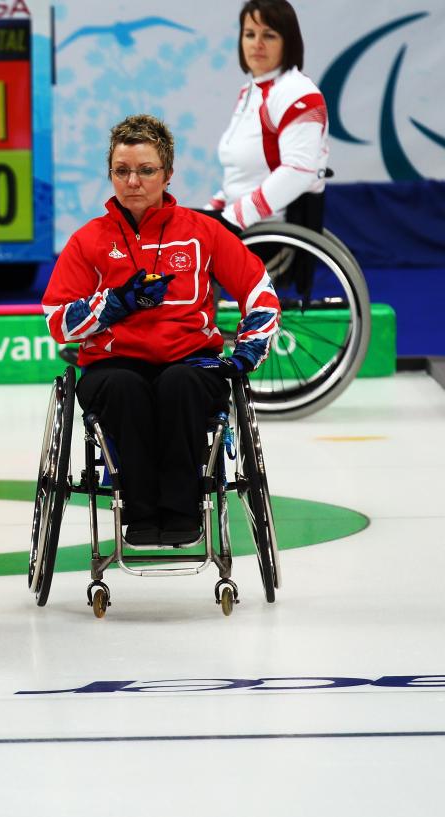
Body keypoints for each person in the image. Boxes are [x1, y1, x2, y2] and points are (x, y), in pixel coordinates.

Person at [42, 114, 281, 546]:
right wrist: (112, 304)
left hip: (190, 363)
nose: (133, 181)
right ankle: (140, 512)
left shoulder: (203, 231)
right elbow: (57, 320)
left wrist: (249, 349)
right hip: (113, 366)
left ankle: (182, 511)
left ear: (168, 174)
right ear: (110, 173)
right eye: (122, 170)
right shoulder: (88, 240)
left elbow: (260, 291)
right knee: (125, 389)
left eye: (146, 170)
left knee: (179, 384)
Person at [208, 0, 328, 231]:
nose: (257, 44)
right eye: (250, 34)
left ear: (288, 42)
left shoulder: (297, 93)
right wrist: (213, 208)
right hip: (242, 220)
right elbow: (244, 176)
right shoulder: (250, 92)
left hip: (268, 229)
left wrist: (230, 219)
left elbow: (298, 171)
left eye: (269, 35)